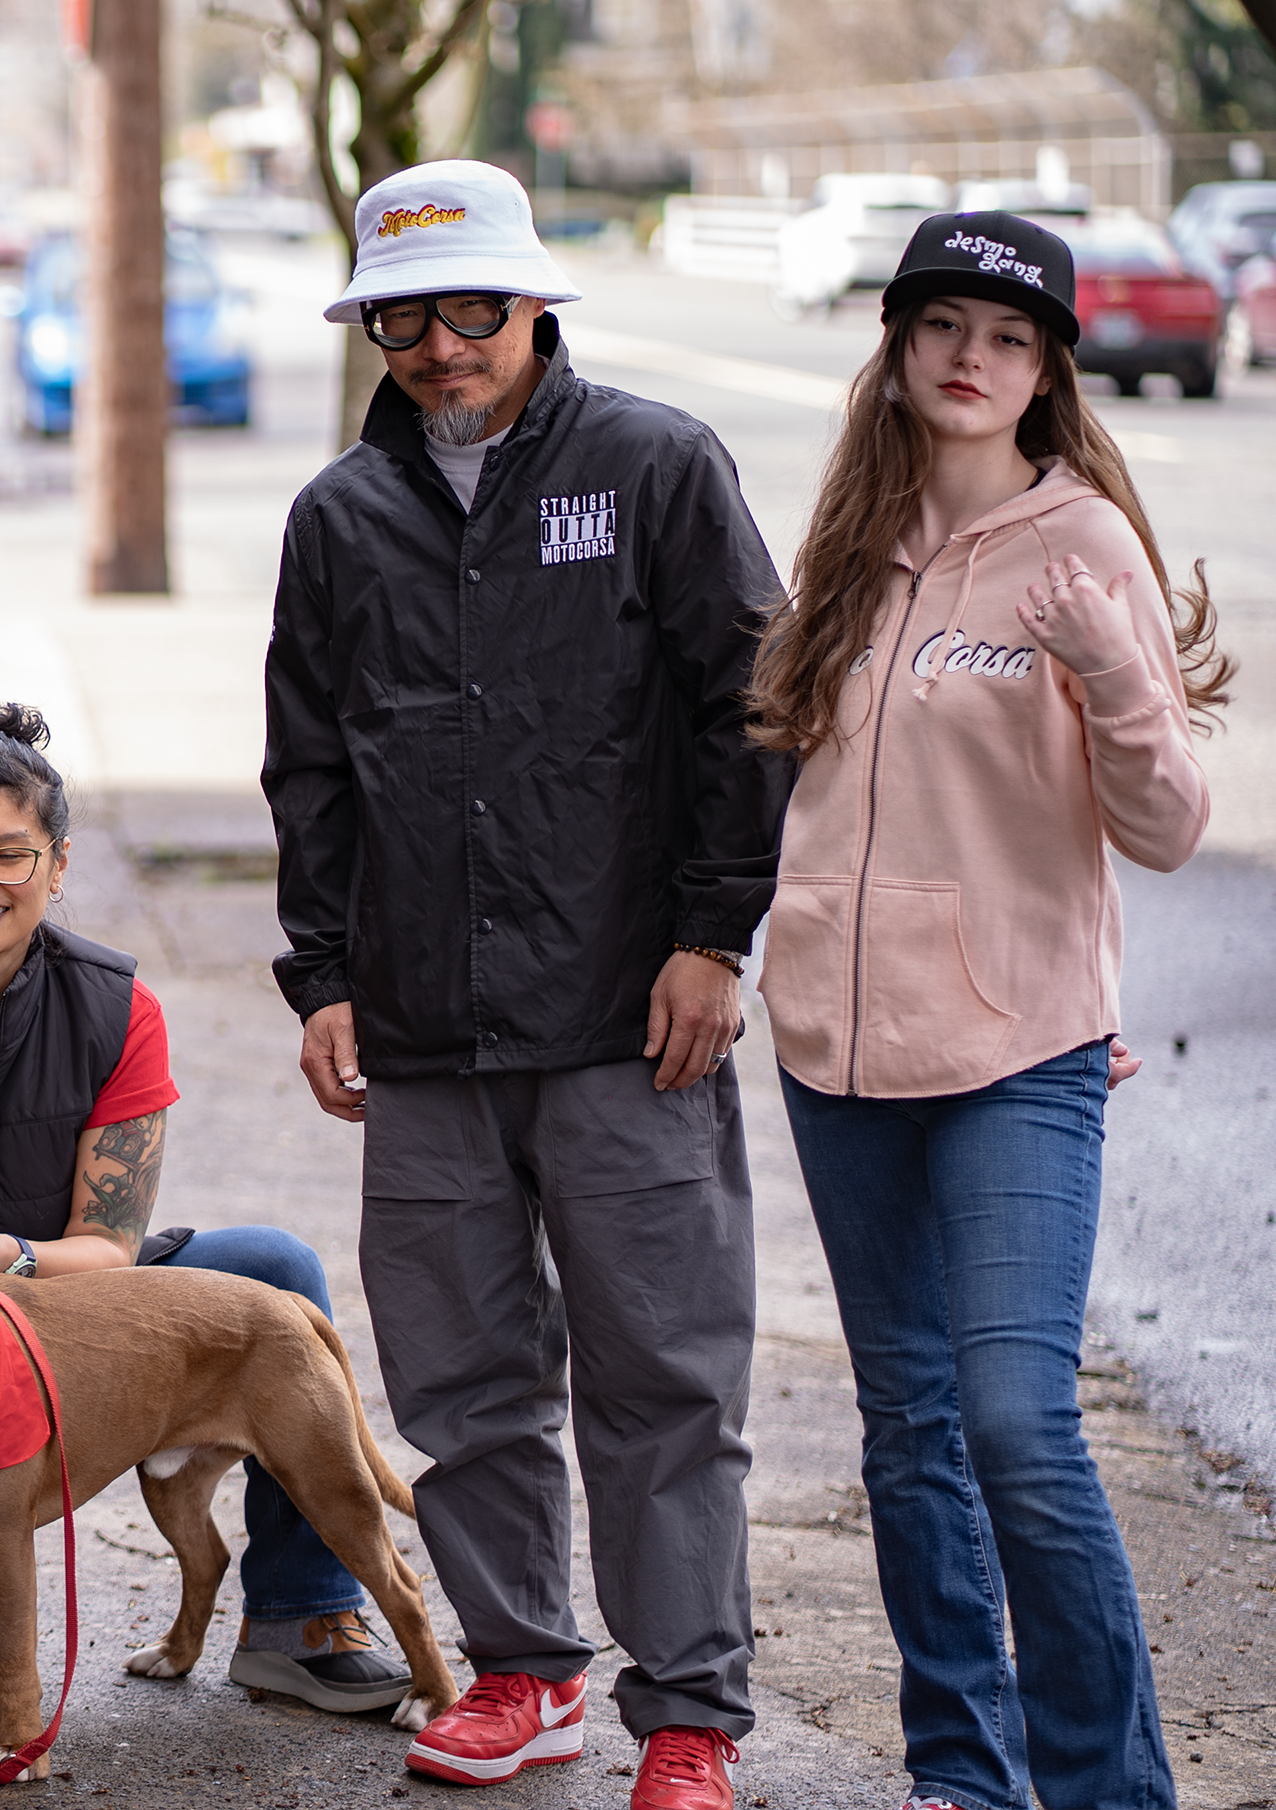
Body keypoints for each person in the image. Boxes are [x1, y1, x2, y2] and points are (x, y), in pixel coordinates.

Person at [261, 160, 795, 1810]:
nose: (439, 347)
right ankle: (518, 1673)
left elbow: (749, 711)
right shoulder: (337, 520)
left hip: (625, 1022)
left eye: (470, 310)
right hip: (419, 1034)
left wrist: (713, 939)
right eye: (403, 317)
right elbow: (307, 768)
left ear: (533, 306)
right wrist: (323, 977)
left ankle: (688, 1713)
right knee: (458, 1380)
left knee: (661, 1376)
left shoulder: (652, 467)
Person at [746, 211, 1222, 1810]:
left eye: (1007, 338)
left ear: (1045, 373)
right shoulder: (844, 545)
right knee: (908, 1428)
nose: (969, 358)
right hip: (833, 1048)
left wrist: (1113, 673)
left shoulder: (1082, 546)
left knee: (1016, 1422)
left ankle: (1106, 1787)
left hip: (1017, 1053)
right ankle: (962, 1766)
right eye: (941, 325)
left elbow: (1164, 829)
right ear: (894, 348)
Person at [0, 705, 415, 1709]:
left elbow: (110, 1246)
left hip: (52, 1293)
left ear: (57, 865)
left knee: (276, 1272)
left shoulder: (118, 1007)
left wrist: (12, 1252)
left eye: (10, 855)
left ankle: (300, 1611)